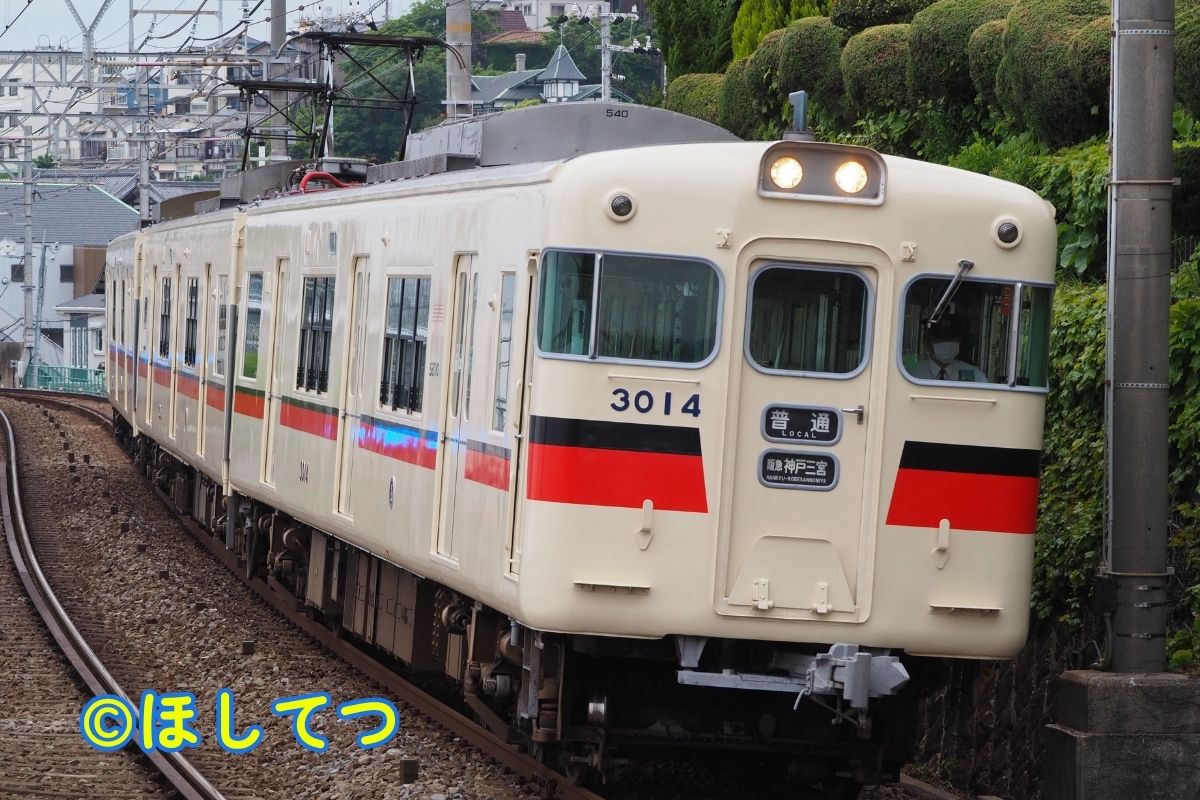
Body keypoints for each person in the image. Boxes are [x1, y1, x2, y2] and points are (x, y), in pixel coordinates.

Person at [911, 314, 990, 383]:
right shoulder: (913, 374)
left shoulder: (974, 374)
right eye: (940, 338)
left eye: (952, 338)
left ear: (959, 342)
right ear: (927, 343)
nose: (947, 343)